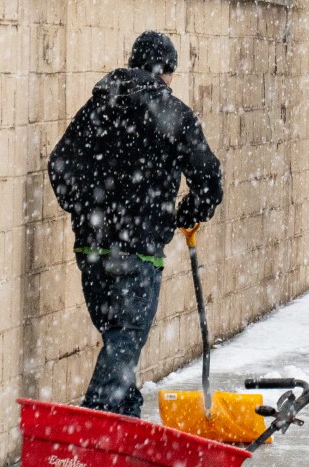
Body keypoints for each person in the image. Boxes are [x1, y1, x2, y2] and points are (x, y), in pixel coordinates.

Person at [48, 30, 223, 418]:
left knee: (117, 341)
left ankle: (126, 422)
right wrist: (191, 212)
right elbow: (209, 178)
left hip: (91, 249)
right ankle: (91, 433)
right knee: (125, 341)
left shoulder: (97, 106)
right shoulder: (172, 112)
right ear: (167, 72)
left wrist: (84, 209)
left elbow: (60, 163)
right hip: (139, 250)